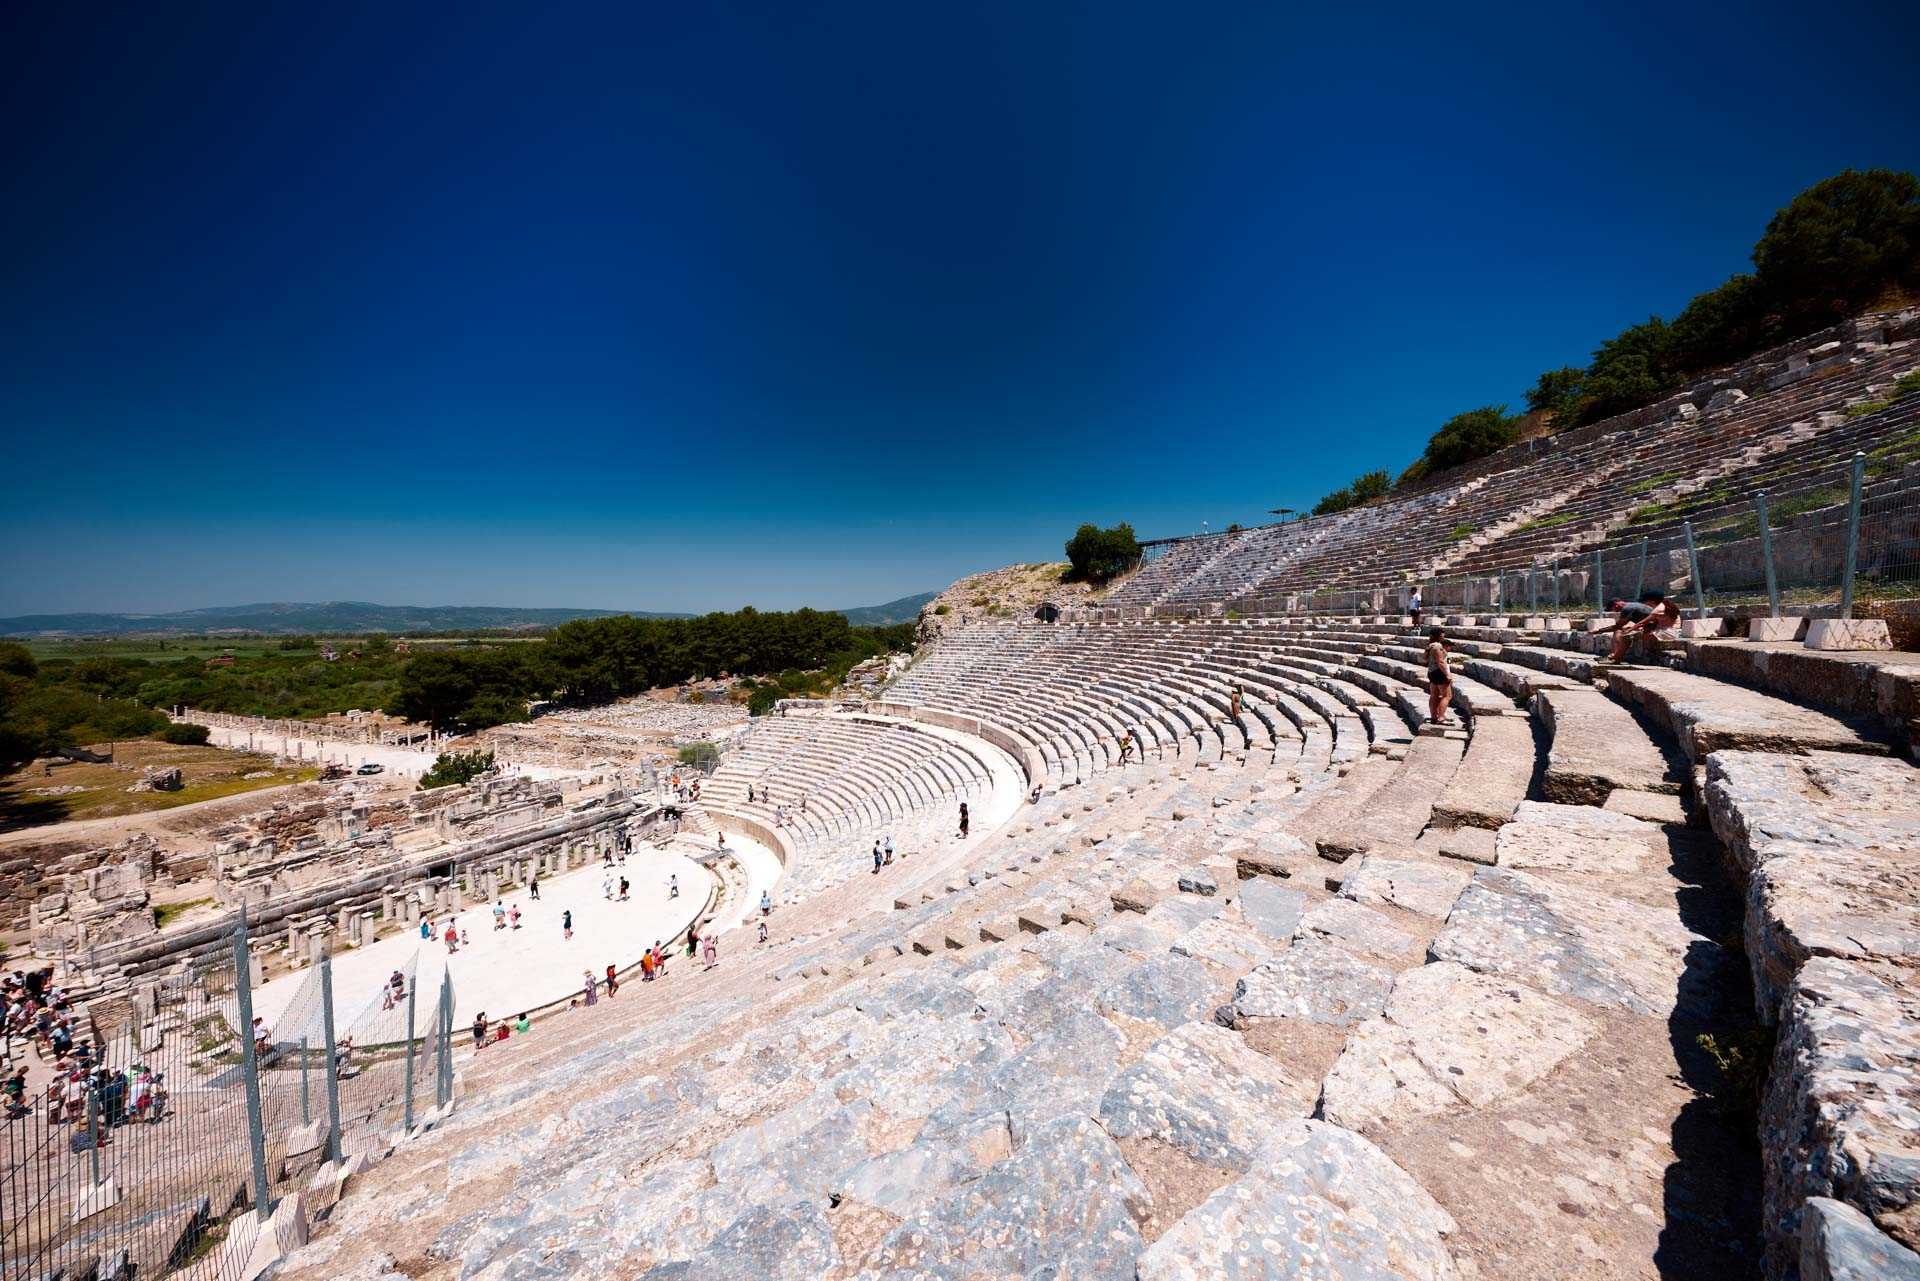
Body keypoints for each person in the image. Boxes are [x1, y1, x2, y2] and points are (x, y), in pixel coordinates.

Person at [1604, 590, 1681, 663]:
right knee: (1628, 635)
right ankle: (1616, 656)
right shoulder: (1662, 606)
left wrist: (1631, 629)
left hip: (1668, 632)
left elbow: (1643, 622)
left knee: (1631, 636)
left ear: (1652, 601)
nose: (1645, 604)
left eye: (1646, 601)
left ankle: (1617, 657)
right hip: (1661, 630)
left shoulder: (1659, 608)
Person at [1425, 628, 1453, 726]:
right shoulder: (1437, 646)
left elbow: (1424, 659)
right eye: (1442, 636)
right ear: (1438, 636)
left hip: (1431, 672)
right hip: (1439, 672)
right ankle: (1441, 717)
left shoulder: (1429, 645)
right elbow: (1440, 661)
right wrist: (1447, 674)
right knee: (1447, 696)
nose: (1443, 637)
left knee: (1434, 695)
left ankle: (1434, 717)